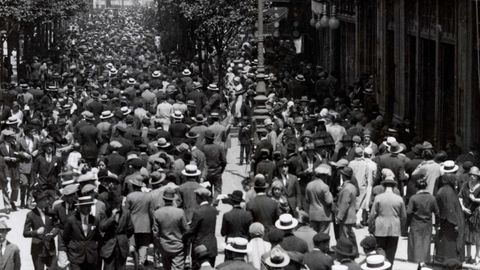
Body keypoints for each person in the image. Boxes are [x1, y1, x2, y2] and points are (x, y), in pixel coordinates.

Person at [368, 175, 406, 269]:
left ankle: (381, 266)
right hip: (395, 227)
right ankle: (389, 267)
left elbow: (372, 215)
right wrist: (401, 227)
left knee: (380, 248)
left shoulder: (378, 197)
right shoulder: (399, 199)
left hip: (380, 226)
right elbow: (404, 216)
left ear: (384, 186)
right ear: (393, 187)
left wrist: (370, 227)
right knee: (391, 251)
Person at [153, 187, 189, 270]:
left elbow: (155, 233)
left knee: (167, 267)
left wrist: (158, 246)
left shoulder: (157, 213)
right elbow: (186, 229)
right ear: (173, 199)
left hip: (164, 245)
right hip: (178, 245)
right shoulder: (180, 212)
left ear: (164, 199)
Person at [61, 196, 101, 270]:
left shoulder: (95, 220)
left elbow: (97, 236)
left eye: (90, 206)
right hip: (75, 256)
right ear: (80, 207)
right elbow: (65, 237)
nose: (89, 208)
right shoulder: (71, 220)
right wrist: (70, 250)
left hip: (90, 256)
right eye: (86, 206)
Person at [406, 178, 439, 264]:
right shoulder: (432, 198)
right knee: (426, 243)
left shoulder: (413, 198)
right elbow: (437, 212)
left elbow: (408, 212)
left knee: (416, 243)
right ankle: (423, 262)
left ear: (416, 187)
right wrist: (437, 225)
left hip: (415, 224)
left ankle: (417, 262)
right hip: (427, 224)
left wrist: (406, 226)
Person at [23, 190, 58, 270]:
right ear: (39, 202)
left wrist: (53, 233)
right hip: (38, 250)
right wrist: (36, 232)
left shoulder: (51, 212)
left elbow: (57, 226)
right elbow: (25, 233)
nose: (48, 201)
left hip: (51, 249)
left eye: (47, 199)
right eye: (45, 200)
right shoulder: (31, 215)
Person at [184, 187, 218, 267]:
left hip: (200, 247)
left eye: (196, 197)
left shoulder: (198, 212)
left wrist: (183, 237)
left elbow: (192, 230)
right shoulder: (213, 210)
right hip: (212, 246)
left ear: (200, 198)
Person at [435, 174, 465, 263]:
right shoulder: (447, 191)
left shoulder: (445, 189)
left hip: (447, 222)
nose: (456, 182)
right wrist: (455, 223)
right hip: (450, 224)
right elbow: (449, 209)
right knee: (450, 247)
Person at [99, 202, 134, 270]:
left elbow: (131, 229)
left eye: (119, 203)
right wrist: (112, 217)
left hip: (122, 246)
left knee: (121, 267)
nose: (118, 205)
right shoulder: (105, 212)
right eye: (115, 203)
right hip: (109, 246)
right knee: (108, 267)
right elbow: (102, 227)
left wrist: (123, 237)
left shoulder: (126, 212)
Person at [335, 167, 358, 257]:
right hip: (351, 215)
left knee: (345, 237)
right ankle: (355, 252)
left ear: (344, 176)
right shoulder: (351, 187)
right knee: (350, 235)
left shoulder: (346, 189)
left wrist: (339, 217)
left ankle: (349, 254)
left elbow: (344, 204)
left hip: (346, 217)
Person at [459, 166, 480, 263]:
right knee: (467, 235)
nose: (472, 177)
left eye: (475, 175)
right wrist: (463, 208)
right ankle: (468, 256)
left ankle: (477, 256)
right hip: (466, 213)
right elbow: (460, 197)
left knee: (477, 236)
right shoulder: (465, 185)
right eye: (471, 175)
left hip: (477, 214)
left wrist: (475, 200)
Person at [305, 164, 333, 234]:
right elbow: (329, 201)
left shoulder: (309, 185)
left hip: (313, 215)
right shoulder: (325, 186)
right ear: (323, 175)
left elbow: (307, 200)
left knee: (314, 236)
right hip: (324, 216)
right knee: (324, 237)